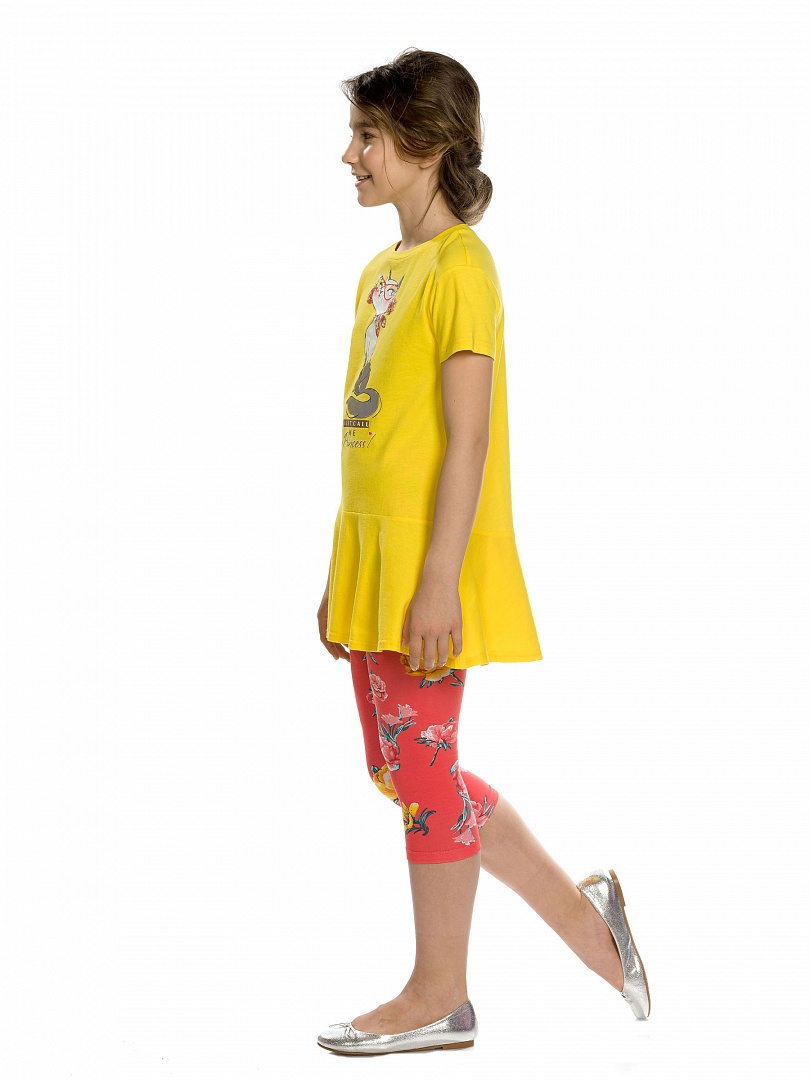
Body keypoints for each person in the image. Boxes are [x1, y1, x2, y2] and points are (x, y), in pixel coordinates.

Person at [315, 48, 651, 1056]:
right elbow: (374, 440)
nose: (349, 156)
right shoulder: (382, 271)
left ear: (426, 146)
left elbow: (468, 438)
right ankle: (591, 926)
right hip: (374, 566)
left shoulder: (465, 268)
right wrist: (341, 572)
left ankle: (440, 994)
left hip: (429, 570)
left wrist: (435, 583)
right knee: (409, 771)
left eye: (368, 137)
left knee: (425, 778)